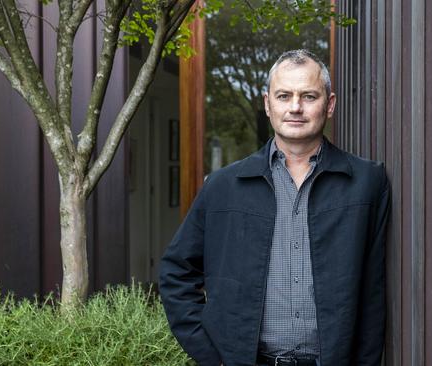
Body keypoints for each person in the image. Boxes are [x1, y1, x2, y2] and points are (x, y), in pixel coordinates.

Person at [159, 49, 390, 366]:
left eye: (309, 96)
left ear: (330, 104)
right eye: (284, 96)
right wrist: (213, 355)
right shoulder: (223, 187)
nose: (295, 107)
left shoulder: (367, 183)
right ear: (268, 103)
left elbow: (375, 290)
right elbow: (176, 274)